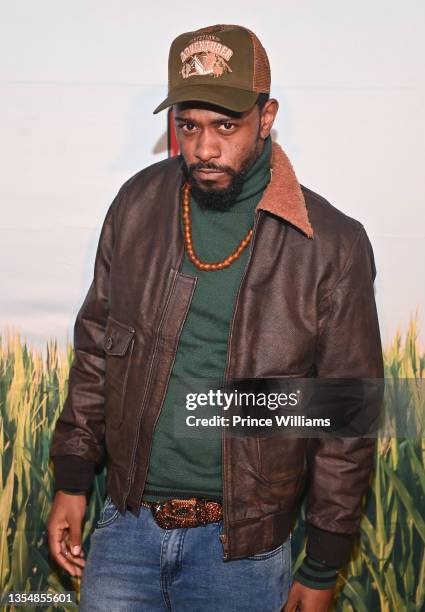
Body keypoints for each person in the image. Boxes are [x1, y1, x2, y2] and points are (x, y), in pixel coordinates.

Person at [47, 24, 384, 612]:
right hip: (125, 530)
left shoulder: (332, 244)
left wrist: (325, 562)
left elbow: (347, 417)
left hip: (243, 552)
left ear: (267, 115)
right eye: (189, 125)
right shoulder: (137, 205)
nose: (204, 148)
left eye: (226, 126)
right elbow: (99, 346)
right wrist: (73, 479)